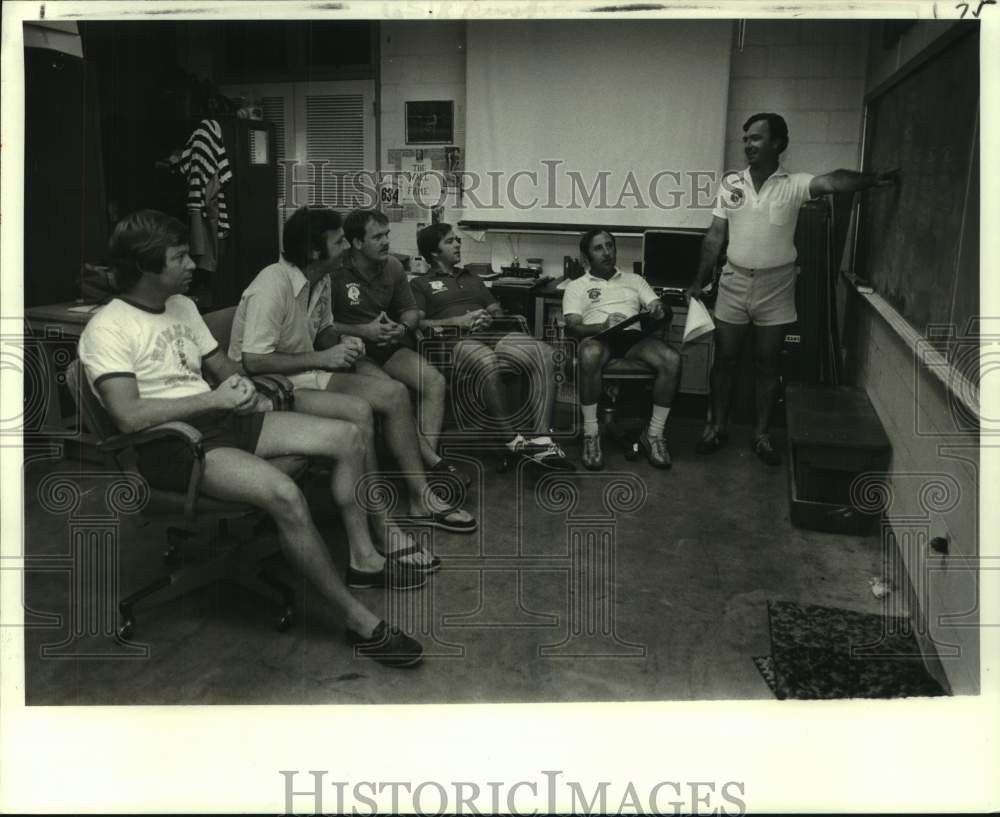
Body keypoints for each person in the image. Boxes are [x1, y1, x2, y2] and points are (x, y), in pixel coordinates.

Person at [77, 210, 424, 667]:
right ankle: (358, 620)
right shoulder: (109, 327)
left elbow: (224, 369)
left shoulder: (181, 307)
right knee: (285, 493)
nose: (191, 265)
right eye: (179, 257)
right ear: (145, 267)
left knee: (349, 437)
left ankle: (364, 558)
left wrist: (242, 389)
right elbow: (128, 416)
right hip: (175, 445)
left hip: (223, 418)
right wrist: (215, 400)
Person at [228, 207, 476, 543]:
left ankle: (420, 496)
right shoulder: (272, 284)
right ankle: (381, 522)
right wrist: (323, 355)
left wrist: (347, 341)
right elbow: (254, 361)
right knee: (359, 410)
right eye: (340, 241)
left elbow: (325, 331)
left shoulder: (321, 279)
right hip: (268, 387)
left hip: (304, 372)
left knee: (394, 394)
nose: (346, 247)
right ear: (316, 251)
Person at [684, 112, 899, 466]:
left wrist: (871, 180)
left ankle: (761, 434)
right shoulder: (731, 184)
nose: (748, 144)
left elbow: (834, 181)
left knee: (768, 364)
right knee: (724, 360)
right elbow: (715, 236)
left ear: (778, 144)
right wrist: (697, 280)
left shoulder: (794, 184)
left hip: (777, 286)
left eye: (756, 138)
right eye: (746, 139)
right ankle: (716, 427)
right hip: (734, 282)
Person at [411, 223, 573, 471]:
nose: (458, 244)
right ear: (433, 252)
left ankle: (541, 439)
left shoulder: (471, 277)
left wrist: (490, 316)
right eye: (450, 241)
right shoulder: (421, 284)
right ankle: (513, 441)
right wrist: (457, 321)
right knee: (487, 360)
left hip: (490, 333)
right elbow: (418, 322)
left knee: (546, 355)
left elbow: (496, 309)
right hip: (453, 341)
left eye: (458, 240)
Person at [327, 209, 466, 485]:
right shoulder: (334, 271)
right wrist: (362, 331)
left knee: (434, 382)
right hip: (354, 352)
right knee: (395, 392)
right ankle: (432, 464)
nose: (386, 241)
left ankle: (419, 461)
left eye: (387, 234)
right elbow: (320, 327)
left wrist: (401, 328)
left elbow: (412, 311)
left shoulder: (392, 266)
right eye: (377, 237)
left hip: (388, 344)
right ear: (356, 243)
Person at [562, 229, 682, 471]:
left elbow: (657, 306)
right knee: (588, 353)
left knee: (672, 359)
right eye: (598, 248)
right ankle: (591, 434)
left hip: (633, 340)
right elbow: (574, 327)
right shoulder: (576, 286)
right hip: (599, 339)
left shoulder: (635, 280)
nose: (606, 252)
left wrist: (660, 309)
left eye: (610, 246)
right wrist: (602, 325)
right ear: (586, 257)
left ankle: (654, 435)